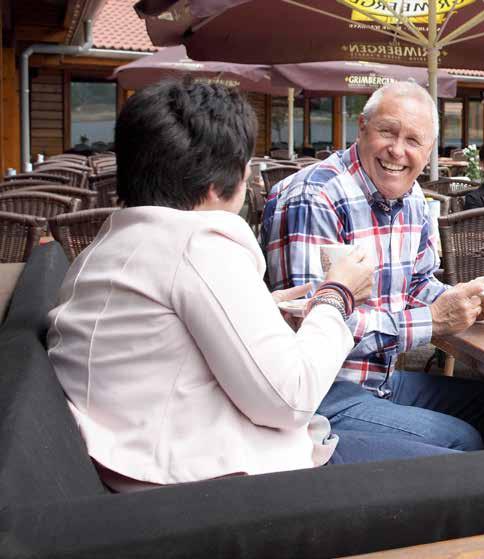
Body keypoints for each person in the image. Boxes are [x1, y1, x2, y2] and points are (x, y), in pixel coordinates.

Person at [46, 80, 456, 493]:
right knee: (457, 467)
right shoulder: (199, 246)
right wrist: (339, 293)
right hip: (206, 487)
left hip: (143, 459)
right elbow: (293, 400)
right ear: (219, 183)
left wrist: (264, 306)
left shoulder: (110, 243)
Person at [262, 81, 484, 452]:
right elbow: (311, 323)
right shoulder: (314, 196)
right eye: (388, 131)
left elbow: (416, 283)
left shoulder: (411, 194)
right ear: (362, 128)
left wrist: (464, 301)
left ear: (429, 150)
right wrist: (432, 321)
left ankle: (458, 499)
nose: (398, 151)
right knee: (459, 437)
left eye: (414, 141)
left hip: (378, 381)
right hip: (320, 396)